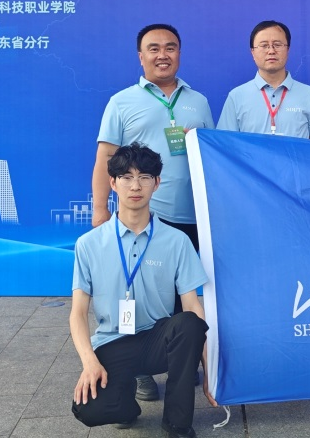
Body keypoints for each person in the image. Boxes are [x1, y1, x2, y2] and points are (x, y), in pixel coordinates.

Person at [91, 24, 213, 401]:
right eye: (154, 48)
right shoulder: (121, 102)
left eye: (170, 47)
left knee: (183, 295)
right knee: (138, 293)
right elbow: (105, 157)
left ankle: (182, 360)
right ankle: (138, 369)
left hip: (194, 216)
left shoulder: (199, 102)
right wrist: (100, 210)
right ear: (141, 56)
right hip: (145, 217)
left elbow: (215, 156)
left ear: (180, 53)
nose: (163, 55)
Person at [71, 142, 214, 438]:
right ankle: (126, 406)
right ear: (113, 183)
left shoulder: (176, 241)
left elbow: (193, 306)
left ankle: (176, 423)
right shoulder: (88, 244)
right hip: (113, 341)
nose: (135, 186)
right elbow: (78, 313)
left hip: (157, 338)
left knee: (188, 323)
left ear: (156, 183)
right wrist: (89, 362)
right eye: (126, 177)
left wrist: (210, 369)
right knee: (89, 409)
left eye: (144, 177)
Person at [217, 20, 310, 140]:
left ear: (288, 49)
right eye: (264, 46)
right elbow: (225, 143)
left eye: (277, 45)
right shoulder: (236, 97)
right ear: (253, 52)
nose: (271, 51)